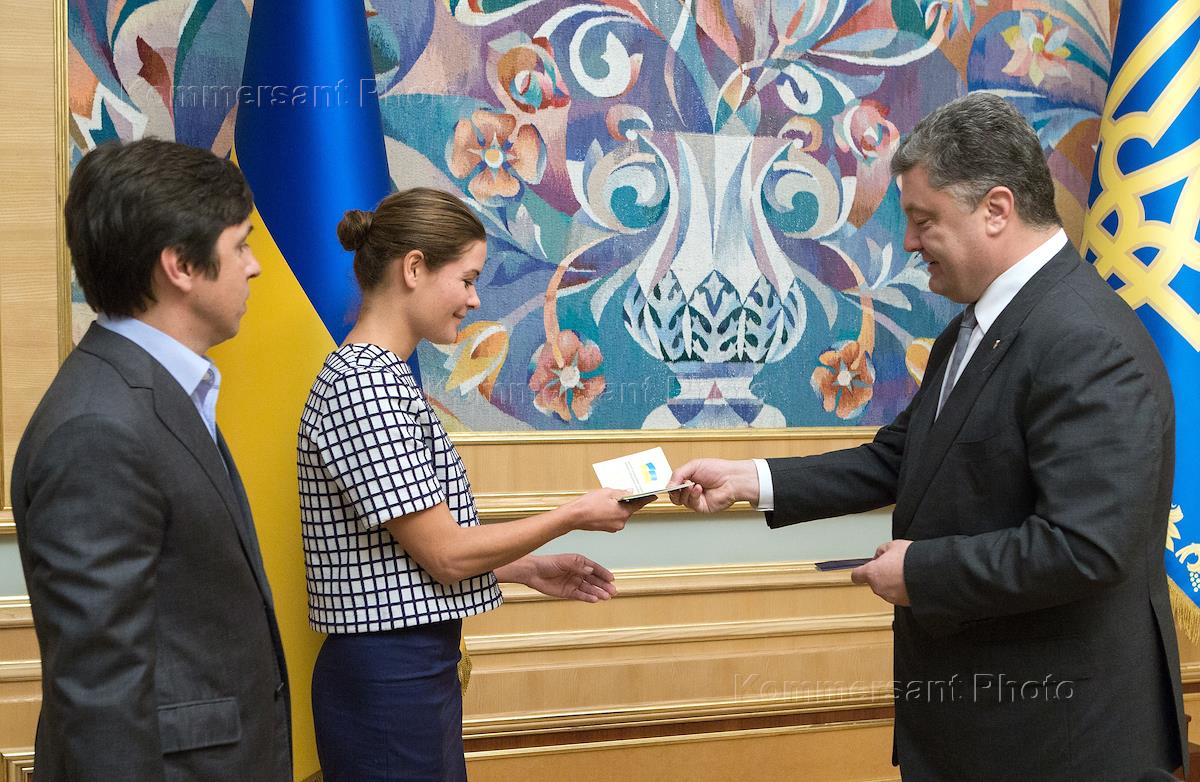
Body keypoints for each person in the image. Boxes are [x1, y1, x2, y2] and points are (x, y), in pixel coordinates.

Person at [669, 93, 1185, 779]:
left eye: (922, 219)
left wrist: (920, 572)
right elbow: (902, 457)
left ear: (996, 209)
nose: (909, 242)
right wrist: (750, 480)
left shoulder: (1084, 340)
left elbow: (1085, 547)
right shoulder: (978, 328)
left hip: (1059, 741)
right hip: (982, 729)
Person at [298, 187, 650, 781]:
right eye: (466, 279)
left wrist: (525, 567)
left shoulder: (381, 379)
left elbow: (403, 553)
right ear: (414, 268)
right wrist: (572, 514)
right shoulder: (363, 386)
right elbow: (446, 554)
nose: (474, 299)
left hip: (410, 670)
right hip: (389, 678)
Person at [11, 139, 291, 780]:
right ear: (181, 266)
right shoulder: (98, 427)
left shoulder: (155, 391)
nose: (254, 267)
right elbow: (101, 692)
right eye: (240, 245)